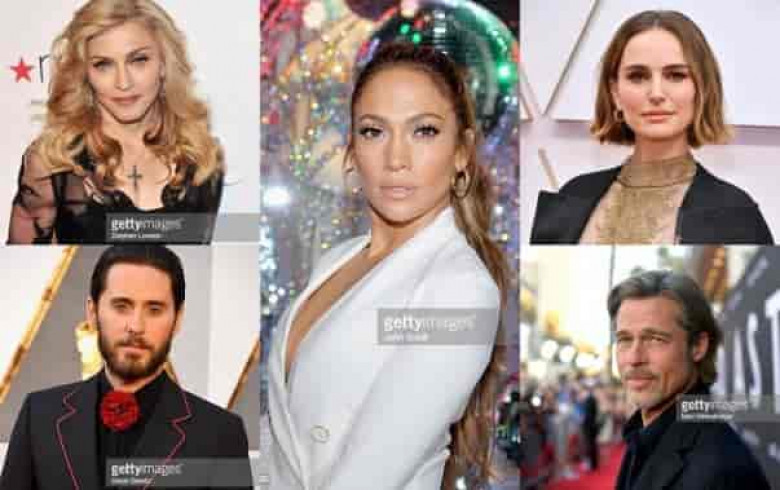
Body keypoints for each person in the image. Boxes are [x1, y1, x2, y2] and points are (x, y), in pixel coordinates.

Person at [266, 42, 505, 489]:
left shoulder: (462, 289)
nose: (396, 160)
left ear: (461, 151)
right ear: (353, 148)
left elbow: (372, 471)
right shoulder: (337, 260)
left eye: (424, 131)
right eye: (374, 131)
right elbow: (284, 440)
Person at [0, 245, 252, 489]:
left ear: (177, 319)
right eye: (121, 307)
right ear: (92, 312)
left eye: (154, 309)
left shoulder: (220, 433)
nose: (136, 326)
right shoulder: (39, 416)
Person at [531, 10, 772, 245]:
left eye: (675, 75)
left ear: (702, 88)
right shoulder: (573, 195)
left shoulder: (736, 215)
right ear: (615, 93)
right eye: (638, 76)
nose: (656, 93)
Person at [7, 0, 223, 245]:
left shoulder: (203, 159)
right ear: (85, 73)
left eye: (138, 60)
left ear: (164, 64)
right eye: (103, 65)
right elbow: (22, 264)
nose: (123, 82)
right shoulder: (52, 162)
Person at [608, 270, 770, 490]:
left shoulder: (721, 470)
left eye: (655, 339)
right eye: (624, 339)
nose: (634, 358)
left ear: (698, 346)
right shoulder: (643, 435)